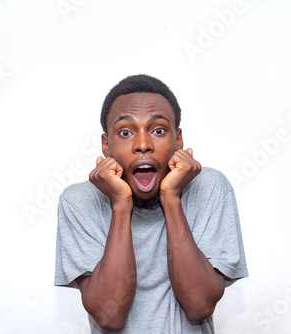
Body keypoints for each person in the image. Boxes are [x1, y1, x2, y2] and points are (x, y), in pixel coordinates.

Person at [54, 74, 248, 333]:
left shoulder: (210, 187)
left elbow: (199, 305)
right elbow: (109, 315)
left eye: (158, 130)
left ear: (178, 140)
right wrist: (120, 205)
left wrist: (172, 198)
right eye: (125, 132)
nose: (143, 145)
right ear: (106, 145)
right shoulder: (79, 201)